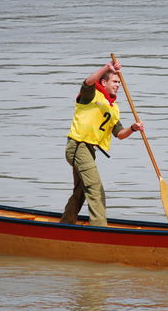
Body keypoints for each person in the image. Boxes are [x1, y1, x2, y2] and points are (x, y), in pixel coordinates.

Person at [60, 59, 144, 227]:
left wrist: (133, 128)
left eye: (119, 82)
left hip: (89, 151)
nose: (118, 85)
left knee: (81, 191)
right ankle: (100, 230)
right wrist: (107, 67)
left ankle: (65, 224)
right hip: (77, 146)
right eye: (114, 81)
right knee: (96, 190)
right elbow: (88, 81)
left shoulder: (114, 108)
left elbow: (119, 134)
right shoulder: (91, 94)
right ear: (104, 82)